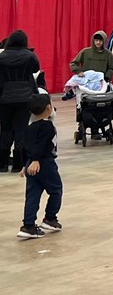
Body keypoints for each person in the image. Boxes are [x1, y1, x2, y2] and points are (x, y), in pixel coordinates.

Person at [17, 94, 62, 239]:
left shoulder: (29, 127)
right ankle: (50, 218)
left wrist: (26, 164)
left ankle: (28, 225)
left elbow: (24, 147)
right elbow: (42, 145)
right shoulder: (47, 126)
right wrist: (36, 160)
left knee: (33, 195)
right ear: (49, 108)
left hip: (31, 164)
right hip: (44, 163)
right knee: (56, 190)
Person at [0, 30, 39, 173]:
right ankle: (18, 163)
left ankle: (2, 163)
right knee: (21, 130)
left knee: (6, 129)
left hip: (4, 98)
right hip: (25, 97)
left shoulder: (1, 56)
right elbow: (36, 69)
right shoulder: (30, 56)